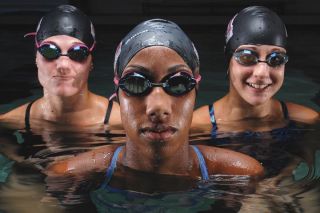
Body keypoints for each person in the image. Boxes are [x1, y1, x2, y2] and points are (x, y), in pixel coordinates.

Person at [46, 19, 264, 192]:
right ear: (117, 96)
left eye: (178, 83)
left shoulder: (243, 174)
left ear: (196, 92)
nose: (158, 107)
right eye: (135, 83)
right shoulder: (67, 174)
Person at [192, 6, 319, 135]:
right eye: (247, 57)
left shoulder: (307, 120)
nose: (261, 73)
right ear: (229, 61)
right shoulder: (195, 127)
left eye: (275, 59)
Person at [0, 5, 121, 129]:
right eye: (49, 51)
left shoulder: (121, 122)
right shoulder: (10, 123)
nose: (63, 65)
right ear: (36, 59)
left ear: (91, 63)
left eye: (78, 52)